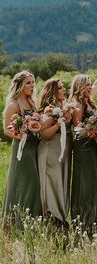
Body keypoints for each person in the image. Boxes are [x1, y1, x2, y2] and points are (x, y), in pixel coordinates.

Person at [70, 63, 97, 231]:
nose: (89, 86)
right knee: (85, 180)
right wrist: (94, 129)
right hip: (83, 146)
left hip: (93, 145)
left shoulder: (88, 99)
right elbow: (78, 129)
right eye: (86, 84)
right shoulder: (77, 105)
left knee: (93, 179)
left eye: (89, 84)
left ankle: (94, 216)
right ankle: (83, 219)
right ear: (79, 87)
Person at [3, 71, 43, 227]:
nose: (32, 86)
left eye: (33, 82)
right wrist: (22, 135)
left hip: (35, 148)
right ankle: (16, 222)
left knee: (35, 184)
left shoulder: (32, 102)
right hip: (22, 149)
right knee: (25, 183)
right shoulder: (13, 104)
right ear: (19, 85)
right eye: (28, 83)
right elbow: (6, 129)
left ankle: (33, 219)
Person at [37, 78, 73, 225]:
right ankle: (52, 218)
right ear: (52, 91)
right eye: (60, 88)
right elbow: (44, 134)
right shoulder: (48, 109)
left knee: (61, 181)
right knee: (51, 182)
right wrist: (58, 122)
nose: (64, 90)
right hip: (50, 149)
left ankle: (61, 215)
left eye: (64, 87)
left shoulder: (64, 106)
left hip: (63, 150)